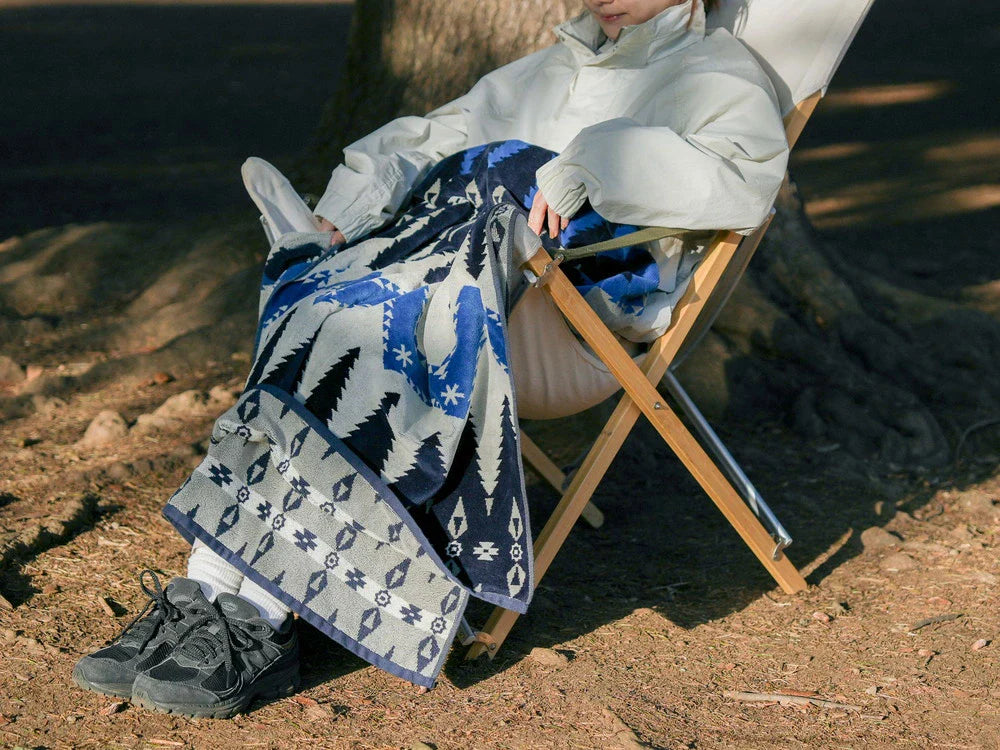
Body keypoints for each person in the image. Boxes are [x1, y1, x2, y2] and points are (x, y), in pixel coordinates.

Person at [73, 0, 788, 718]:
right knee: (318, 303)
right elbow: (429, 140)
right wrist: (346, 210)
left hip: (566, 328)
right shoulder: (551, 68)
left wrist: (597, 167)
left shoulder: (715, 71)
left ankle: (257, 616)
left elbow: (743, 178)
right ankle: (204, 591)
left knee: (377, 308)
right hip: (478, 296)